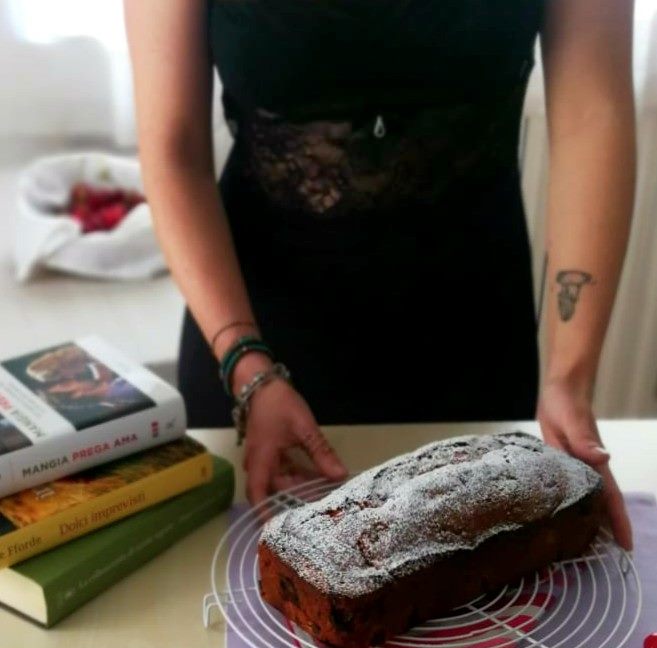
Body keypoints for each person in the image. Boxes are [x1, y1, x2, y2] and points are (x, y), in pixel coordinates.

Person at [125, 0, 634, 548]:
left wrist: (570, 378)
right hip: (257, 346)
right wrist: (246, 368)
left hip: (473, 332)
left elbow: (592, 113)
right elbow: (174, 147)